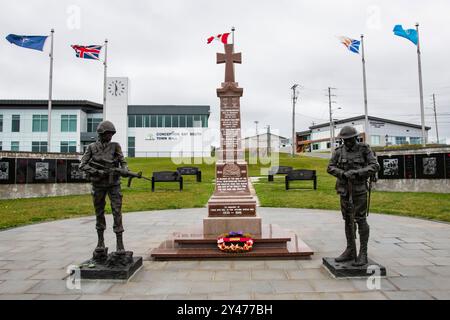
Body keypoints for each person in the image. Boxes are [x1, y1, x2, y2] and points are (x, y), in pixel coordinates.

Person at [327, 126, 380, 266]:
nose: (348, 142)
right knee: (347, 220)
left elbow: (375, 166)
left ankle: (363, 253)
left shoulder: (364, 149)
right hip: (344, 190)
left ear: (355, 138)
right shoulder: (339, 151)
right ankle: (350, 250)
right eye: (345, 140)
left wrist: (357, 173)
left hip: (359, 189)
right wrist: (342, 174)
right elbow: (330, 167)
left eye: (350, 139)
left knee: (360, 219)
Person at [80, 120, 128, 253]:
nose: (110, 137)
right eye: (108, 134)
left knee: (117, 211)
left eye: (112, 134)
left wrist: (125, 169)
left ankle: (120, 244)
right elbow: (82, 164)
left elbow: (123, 162)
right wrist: (97, 172)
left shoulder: (115, 146)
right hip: (98, 184)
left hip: (114, 184)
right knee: (99, 212)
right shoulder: (91, 147)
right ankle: (100, 242)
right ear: (101, 133)